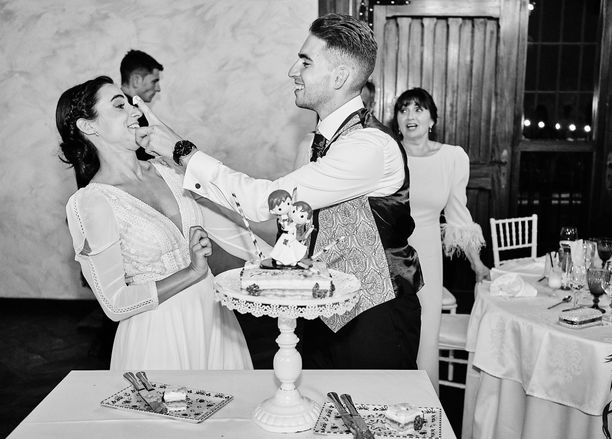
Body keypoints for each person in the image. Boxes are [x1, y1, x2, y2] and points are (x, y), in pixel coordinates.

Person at [135, 13, 423, 370]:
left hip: (375, 318)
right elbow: (292, 230)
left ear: (340, 76)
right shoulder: (321, 145)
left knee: (374, 419)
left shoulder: (368, 147)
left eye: (305, 61)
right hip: (322, 309)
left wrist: (182, 151)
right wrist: (186, 192)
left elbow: (264, 201)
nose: (292, 71)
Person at [57, 75, 257, 370]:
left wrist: (280, 259)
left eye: (131, 105)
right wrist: (191, 272)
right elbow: (115, 304)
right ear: (89, 126)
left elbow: (233, 209)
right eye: (119, 106)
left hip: (214, 319)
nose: (135, 112)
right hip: (159, 334)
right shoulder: (92, 202)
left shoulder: (170, 172)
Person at [391, 87, 490, 388]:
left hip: (428, 257)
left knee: (424, 336)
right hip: (388, 254)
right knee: (390, 334)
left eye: (418, 109)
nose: (410, 116)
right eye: (403, 109)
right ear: (396, 120)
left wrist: (478, 264)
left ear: (432, 119)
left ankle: (424, 410)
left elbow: (459, 216)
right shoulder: (385, 155)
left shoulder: (451, 158)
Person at [120, 50, 164, 160]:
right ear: (136, 80)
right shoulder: (133, 114)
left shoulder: (121, 109)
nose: (158, 88)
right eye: (154, 81)